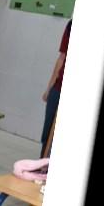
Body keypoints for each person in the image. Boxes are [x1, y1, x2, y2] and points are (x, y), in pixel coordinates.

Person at [41, 19, 71, 156]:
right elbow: (62, 57)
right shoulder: (71, 25)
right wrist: (49, 88)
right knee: (48, 132)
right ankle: (43, 161)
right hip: (58, 88)